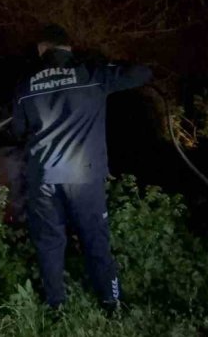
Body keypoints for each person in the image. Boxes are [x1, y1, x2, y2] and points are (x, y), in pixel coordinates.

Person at [11, 23, 152, 312]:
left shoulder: (24, 85)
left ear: (42, 48)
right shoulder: (92, 73)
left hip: (44, 178)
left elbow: (17, 129)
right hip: (84, 177)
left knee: (49, 243)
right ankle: (111, 303)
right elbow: (142, 73)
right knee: (94, 240)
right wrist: (110, 60)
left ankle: (56, 307)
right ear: (68, 47)